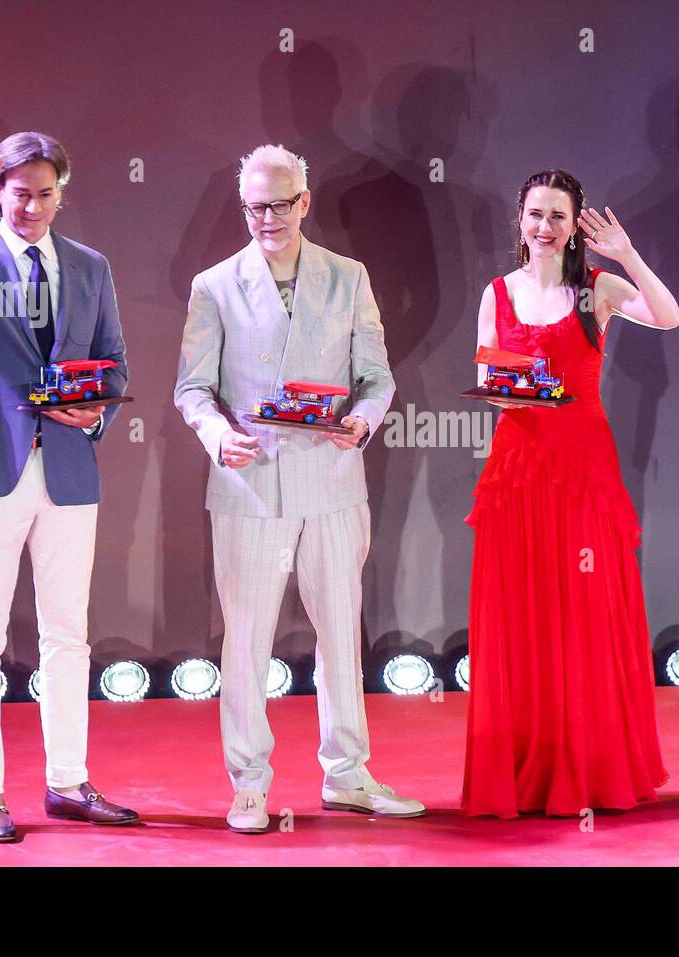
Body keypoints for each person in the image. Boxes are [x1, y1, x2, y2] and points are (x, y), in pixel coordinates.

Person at [174, 144, 424, 834]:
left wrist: (362, 421)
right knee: (246, 637)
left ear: (304, 202)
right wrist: (215, 433)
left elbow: (376, 377)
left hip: (333, 480)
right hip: (250, 483)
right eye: (255, 207)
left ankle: (349, 775)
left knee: (341, 633)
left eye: (280, 205)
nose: (267, 219)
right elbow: (192, 387)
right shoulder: (214, 285)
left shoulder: (348, 278)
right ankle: (248, 783)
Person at [0, 132, 137, 842]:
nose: (32, 206)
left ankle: (68, 781)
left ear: (61, 194)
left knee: (68, 633)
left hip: (68, 465)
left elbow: (115, 363)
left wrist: (95, 410)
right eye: (19, 193)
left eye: (45, 194)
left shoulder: (90, 266)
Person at [462, 169, 679, 818]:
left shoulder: (598, 289)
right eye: (535, 214)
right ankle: (528, 771)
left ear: (576, 222)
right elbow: (489, 379)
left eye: (558, 215)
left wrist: (628, 255)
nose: (544, 227)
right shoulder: (497, 293)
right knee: (523, 621)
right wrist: (522, 390)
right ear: (519, 221)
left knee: (582, 618)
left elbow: (668, 316)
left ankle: (587, 768)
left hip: (584, 472)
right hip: (518, 473)